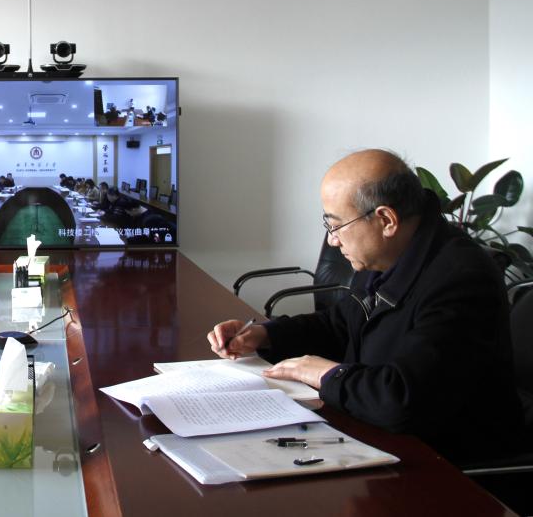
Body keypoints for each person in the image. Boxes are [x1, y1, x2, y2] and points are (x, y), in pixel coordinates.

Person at [207, 149, 521, 463]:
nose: (332, 240)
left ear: (386, 220)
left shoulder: (462, 279)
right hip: (374, 437)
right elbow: (342, 325)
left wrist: (326, 374)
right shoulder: (387, 256)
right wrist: (266, 335)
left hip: (444, 464)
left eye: (336, 225)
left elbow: (404, 399)